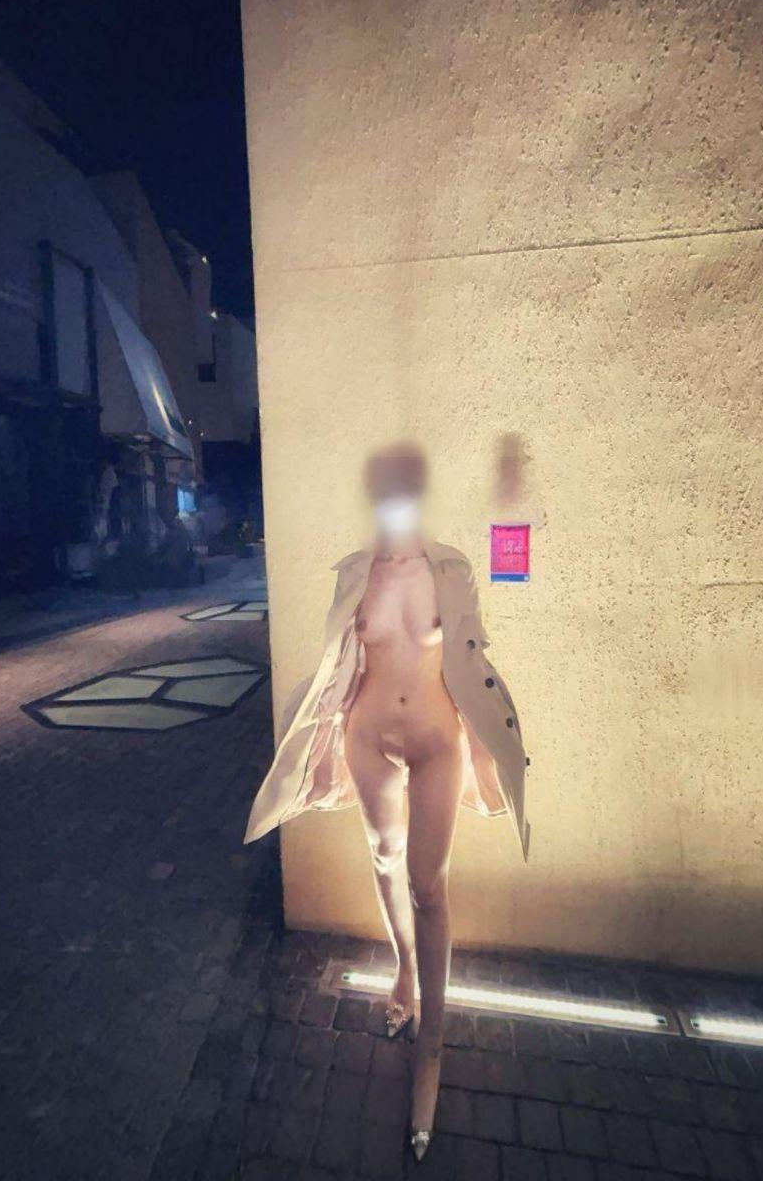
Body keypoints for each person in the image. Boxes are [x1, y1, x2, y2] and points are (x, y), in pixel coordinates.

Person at [245, 444, 531, 1160]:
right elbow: (339, 664)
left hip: (437, 740)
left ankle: (432, 1044)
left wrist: (515, 503)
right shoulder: (355, 574)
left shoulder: (452, 569)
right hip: (368, 736)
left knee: (428, 884)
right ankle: (404, 967)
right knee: (383, 855)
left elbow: (488, 626)